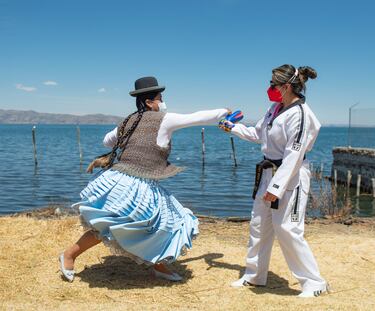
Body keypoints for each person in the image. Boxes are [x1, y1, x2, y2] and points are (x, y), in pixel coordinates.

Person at [59, 76, 230, 282]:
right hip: (132, 184)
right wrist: (224, 112)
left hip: (123, 180)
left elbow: (107, 141)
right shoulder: (164, 119)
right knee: (118, 226)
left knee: (154, 225)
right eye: (159, 98)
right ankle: (68, 255)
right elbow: (197, 117)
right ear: (149, 102)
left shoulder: (128, 121)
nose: (162, 102)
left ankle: (158, 265)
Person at [220, 65, 328, 298]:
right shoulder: (275, 108)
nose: (270, 88)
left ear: (286, 86)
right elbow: (258, 134)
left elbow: (294, 154)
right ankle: (254, 275)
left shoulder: (301, 115)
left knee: (288, 228)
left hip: (291, 176)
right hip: (268, 170)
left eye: (273, 84)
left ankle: (314, 282)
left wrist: (276, 188)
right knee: (259, 225)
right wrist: (232, 128)